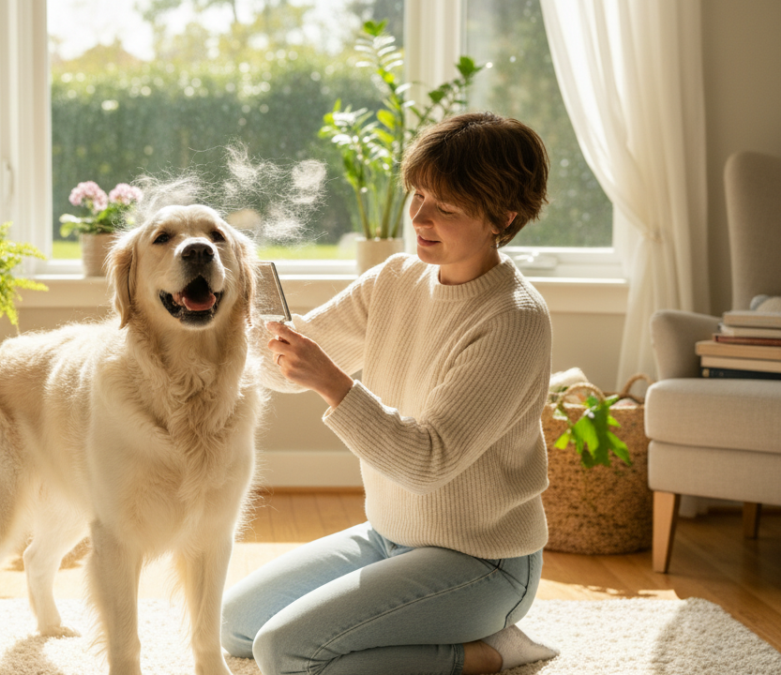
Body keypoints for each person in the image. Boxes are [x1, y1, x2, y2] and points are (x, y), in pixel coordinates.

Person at [222, 111, 559, 675]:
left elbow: (428, 461)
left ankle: (491, 652)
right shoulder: (396, 279)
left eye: (446, 207)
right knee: (233, 623)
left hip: (483, 563)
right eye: (419, 195)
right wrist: (228, 310)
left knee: (284, 652)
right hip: (389, 537)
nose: (420, 216)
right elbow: (281, 370)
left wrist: (331, 381)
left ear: (504, 215)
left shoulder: (513, 319)